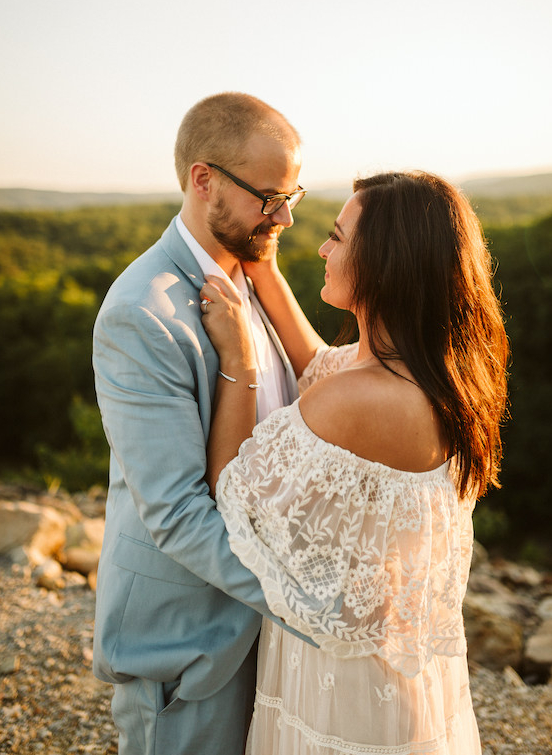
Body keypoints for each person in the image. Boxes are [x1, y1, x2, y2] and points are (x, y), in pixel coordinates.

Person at [198, 169, 508, 754]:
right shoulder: (428, 373)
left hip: (344, 692)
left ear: (383, 264)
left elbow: (231, 489)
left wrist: (237, 356)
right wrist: (261, 266)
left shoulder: (360, 399)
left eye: (338, 237)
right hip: (388, 674)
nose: (321, 246)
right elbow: (319, 360)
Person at [92, 92, 310, 753]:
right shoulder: (141, 312)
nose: (286, 217)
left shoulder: (252, 270)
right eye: (268, 197)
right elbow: (177, 512)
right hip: (189, 647)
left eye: (293, 195)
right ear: (203, 179)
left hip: (268, 646)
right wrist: (308, 604)